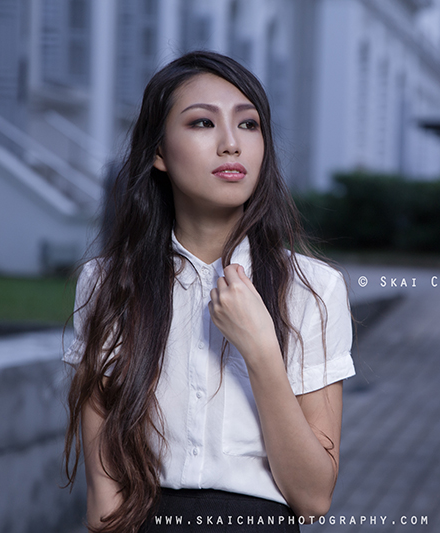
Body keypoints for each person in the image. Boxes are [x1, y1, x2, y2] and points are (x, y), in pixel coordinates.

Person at [62, 51, 355, 533]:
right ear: (158, 152)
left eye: (249, 125)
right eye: (202, 123)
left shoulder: (314, 289)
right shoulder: (107, 283)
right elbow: (104, 500)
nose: (230, 145)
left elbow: (313, 497)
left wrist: (261, 351)